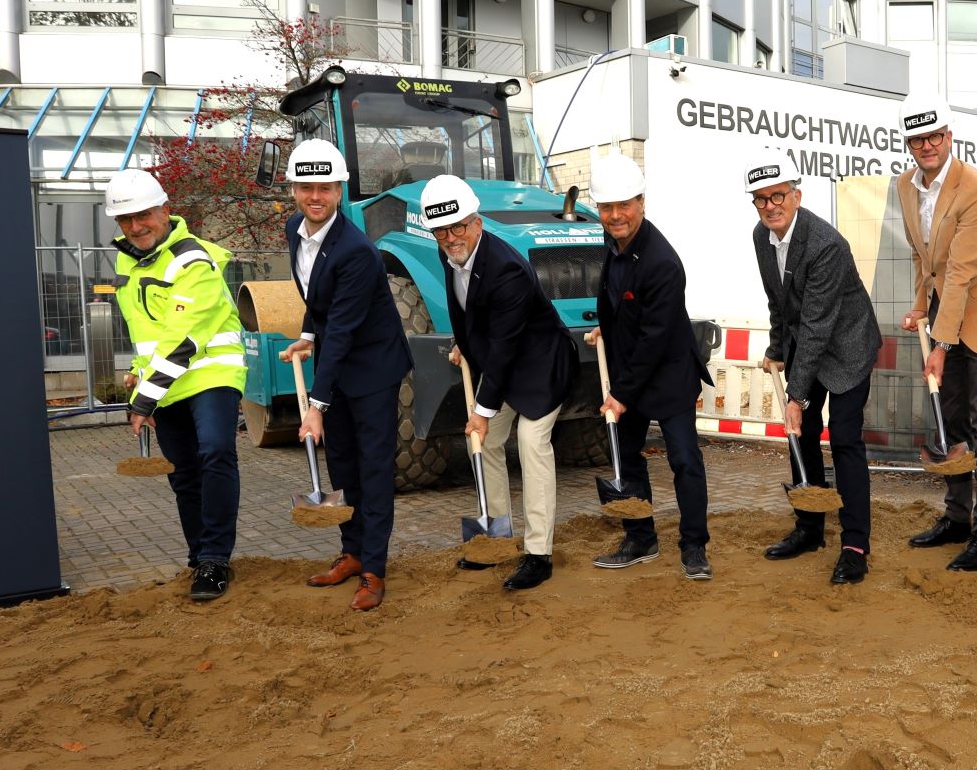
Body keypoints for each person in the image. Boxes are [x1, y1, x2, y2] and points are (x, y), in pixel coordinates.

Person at [422, 175, 580, 590]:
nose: (451, 238)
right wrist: (463, 342)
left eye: (458, 227)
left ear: (477, 222)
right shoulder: (451, 254)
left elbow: (507, 346)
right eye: (442, 231)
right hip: (503, 363)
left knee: (531, 441)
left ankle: (539, 553)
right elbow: (469, 310)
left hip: (542, 367)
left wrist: (480, 411)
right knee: (488, 443)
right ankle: (496, 538)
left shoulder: (507, 268)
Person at [279, 139, 414, 612]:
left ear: (339, 190)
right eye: (306, 186)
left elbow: (344, 327)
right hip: (336, 358)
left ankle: (374, 568)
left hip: (373, 367)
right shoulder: (294, 230)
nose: (315, 196)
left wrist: (315, 407)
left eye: (325, 187)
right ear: (294, 189)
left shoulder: (357, 250)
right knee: (341, 465)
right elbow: (320, 301)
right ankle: (352, 552)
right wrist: (306, 335)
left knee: (373, 470)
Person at [895, 92, 977, 572]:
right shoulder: (905, 186)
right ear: (909, 143)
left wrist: (942, 345)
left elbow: (964, 271)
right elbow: (922, 258)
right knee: (948, 421)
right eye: (918, 138)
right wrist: (918, 309)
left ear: (949, 137)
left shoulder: (976, 189)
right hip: (945, 310)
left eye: (935, 136)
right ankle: (957, 518)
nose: (927, 145)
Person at [107, 168, 247, 602]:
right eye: (125, 219)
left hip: (211, 372)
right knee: (184, 472)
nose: (135, 226)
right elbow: (149, 328)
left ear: (166, 210)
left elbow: (186, 336)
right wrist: (138, 368)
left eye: (144, 214)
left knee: (216, 452)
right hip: (166, 379)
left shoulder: (192, 260)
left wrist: (142, 401)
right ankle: (198, 555)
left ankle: (215, 560)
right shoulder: (127, 261)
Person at [742, 150, 882, 585]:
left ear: (796, 195)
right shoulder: (760, 237)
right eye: (761, 198)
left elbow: (820, 325)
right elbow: (779, 302)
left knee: (843, 440)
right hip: (808, 343)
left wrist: (796, 397)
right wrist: (777, 346)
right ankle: (810, 528)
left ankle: (855, 545)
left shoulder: (826, 245)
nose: (770, 205)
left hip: (847, 347)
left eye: (778, 195)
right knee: (798, 438)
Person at [585, 151, 715, 580]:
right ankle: (640, 538)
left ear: (641, 202)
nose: (616, 215)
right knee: (625, 454)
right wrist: (609, 329)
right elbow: (619, 301)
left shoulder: (662, 262)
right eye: (607, 207)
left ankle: (694, 546)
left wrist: (620, 394)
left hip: (669, 372)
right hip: (633, 367)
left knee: (684, 460)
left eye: (624, 205)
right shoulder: (613, 243)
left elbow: (656, 337)